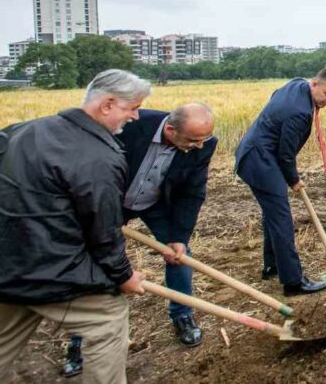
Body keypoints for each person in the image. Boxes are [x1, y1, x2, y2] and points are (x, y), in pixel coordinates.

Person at [0, 70, 148, 384]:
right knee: (109, 321)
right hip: (53, 274)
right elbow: (104, 233)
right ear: (108, 104)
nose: (136, 115)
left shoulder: (23, 130)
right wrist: (124, 277)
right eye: (132, 107)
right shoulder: (99, 157)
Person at [62, 103, 218, 376]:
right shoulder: (131, 125)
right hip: (108, 202)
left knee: (181, 256)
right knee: (91, 262)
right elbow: (82, 162)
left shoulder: (203, 144)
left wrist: (179, 237)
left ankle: (182, 315)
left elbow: (192, 192)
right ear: (170, 130)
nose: (199, 146)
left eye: (203, 140)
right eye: (193, 140)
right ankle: (81, 341)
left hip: (153, 202)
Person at [236, 67, 326, 295]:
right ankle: (293, 282)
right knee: (282, 219)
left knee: (273, 215)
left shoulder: (296, 83)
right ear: (315, 84)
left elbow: (275, 97)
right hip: (260, 161)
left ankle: (272, 266)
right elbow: (286, 155)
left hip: (254, 152)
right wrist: (294, 180)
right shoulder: (300, 112)